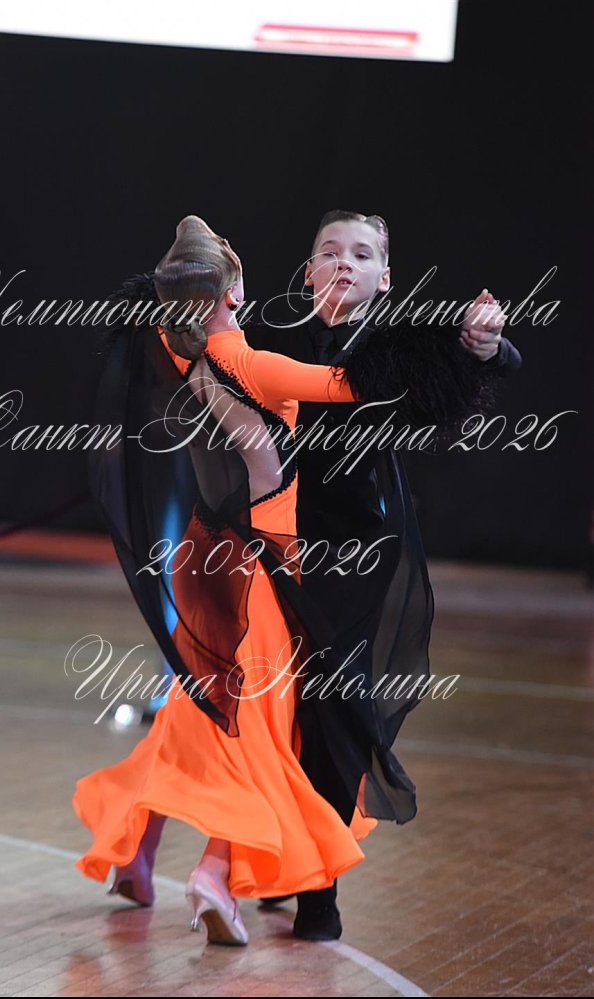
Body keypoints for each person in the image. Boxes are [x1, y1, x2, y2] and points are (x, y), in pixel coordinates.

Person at [73, 214, 397, 945]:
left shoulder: (177, 348)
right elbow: (349, 384)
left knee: (197, 715)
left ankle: (135, 852)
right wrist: (453, 348)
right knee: (259, 728)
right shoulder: (251, 363)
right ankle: (214, 873)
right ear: (234, 293)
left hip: (203, 556)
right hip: (260, 570)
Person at [243, 208, 523, 917]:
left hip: (356, 546)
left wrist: (484, 340)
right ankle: (292, 856)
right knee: (276, 707)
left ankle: (320, 889)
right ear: (308, 270)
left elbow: (488, 359)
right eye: (330, 251)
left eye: (362, 254)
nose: (345, 262)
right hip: (269, 542)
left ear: (385, 277)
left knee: (336, 701)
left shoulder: (397, 345)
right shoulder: (273, 338)